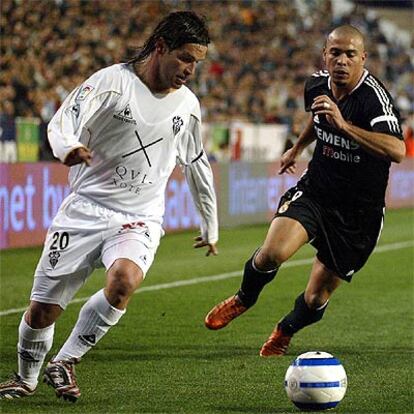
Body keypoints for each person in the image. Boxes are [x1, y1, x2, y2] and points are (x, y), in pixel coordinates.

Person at [0, 11, 218, 402]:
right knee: (42, 311)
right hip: (85, 210)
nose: (190, 70)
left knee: (123, 283)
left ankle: (65, 360)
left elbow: (196, 163)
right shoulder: (111, 83)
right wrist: (67, 147)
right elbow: (62, 121)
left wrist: (210, 223)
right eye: (185, 58)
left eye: (196, 63)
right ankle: (25, 378)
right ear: (160, 47)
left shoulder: (187, 105)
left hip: (139, 217)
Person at [205, 25, 405, 357]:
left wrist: (345, 126)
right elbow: (318, 116)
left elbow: (396, 150)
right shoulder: (315, 84)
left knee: (316, 297)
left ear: (363, 58)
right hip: (317, 192)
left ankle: (285, 330)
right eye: (335, 53)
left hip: (358, 213)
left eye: (350, 54)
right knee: (273, 252)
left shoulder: (374, 99)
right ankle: (243, 298)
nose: (341, 60)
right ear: (325, 55)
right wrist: (297, 148)